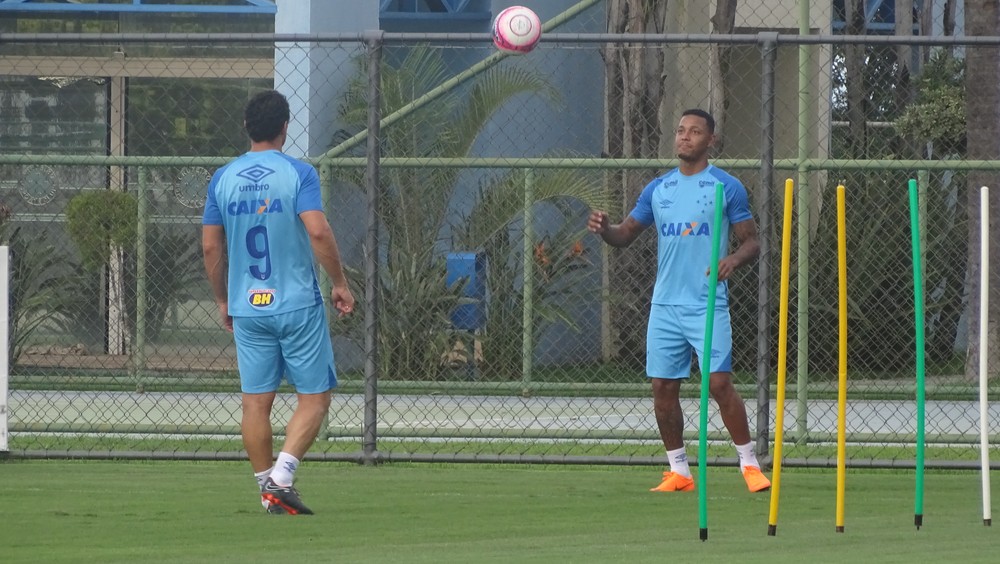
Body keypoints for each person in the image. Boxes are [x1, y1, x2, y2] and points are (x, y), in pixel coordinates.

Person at [587, 108, 771, 493]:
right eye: (681, 131)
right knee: (663, 389)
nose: (685, 137)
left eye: (695, 132)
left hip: (706, 303)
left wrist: (733, 260)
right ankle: (679, 471)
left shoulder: (726, 186)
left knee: (719, 384)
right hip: (665, 306)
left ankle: (750, 464)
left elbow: (751, 241)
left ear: (711, 141)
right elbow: (626, 234)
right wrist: (605, 230)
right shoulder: (658, 189)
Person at [202, 90, 355, 514]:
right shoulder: (299, 174)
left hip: (247, 306)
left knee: (255, 401)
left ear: (245, 128)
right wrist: (340, 282)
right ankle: (281, 478)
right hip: (296, 304)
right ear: (286, 127)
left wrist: (221, 299)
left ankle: (265, 491)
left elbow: (211, 248)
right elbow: (319, 232)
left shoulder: (223, 178)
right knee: (315, 397)